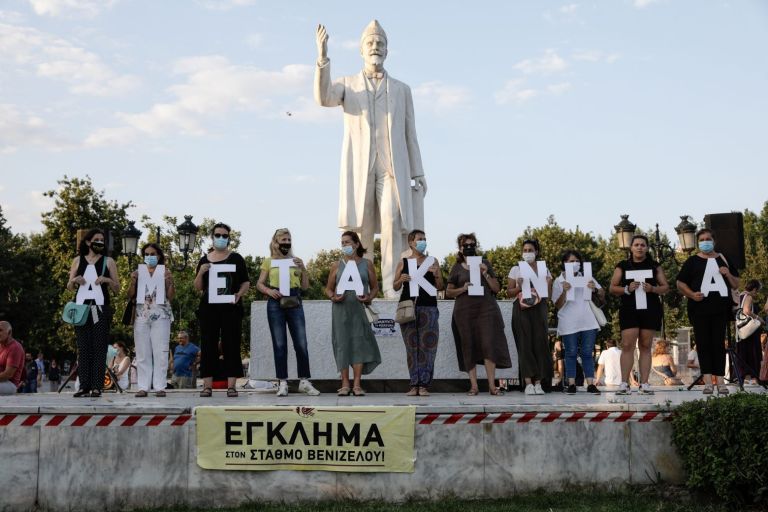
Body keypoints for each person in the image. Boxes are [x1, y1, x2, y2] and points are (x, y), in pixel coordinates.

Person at [314, 21, 427, 299]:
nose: (375, 47)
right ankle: (360, 285)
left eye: (380, 43)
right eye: (370, 43)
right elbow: (323, 97)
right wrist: (322, 57)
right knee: (361, 226)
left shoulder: (402, 89)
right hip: (359, 166)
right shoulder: (348, 84)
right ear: (361, 50)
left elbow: (410, 133)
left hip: (391, 168)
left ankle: (391, 287)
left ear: (387, 50)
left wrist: (418, 171)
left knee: (391, 219)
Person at [256, 228, 320, 397]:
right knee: (280, 344)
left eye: (288, 239)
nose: (286, 242)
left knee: (301, 343)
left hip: (294, 299)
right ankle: (282, 382)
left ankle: (304, 381)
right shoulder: (269, 261)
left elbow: (305, 286)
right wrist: (269, 291)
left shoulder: (296, 260)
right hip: (275, 302)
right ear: (276, 242)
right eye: (283, 239)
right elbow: (259, 283)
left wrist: (304, 269)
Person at [676, 228, 740, 395]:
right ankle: (707, 383)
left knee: (718, 345)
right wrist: (691, 294)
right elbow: (680, 283)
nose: (705, 242)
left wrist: (727, 275)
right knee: (703, 345)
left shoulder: (723, 259)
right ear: (698, 243)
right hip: (699, 310)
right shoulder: (692, 261)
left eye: (708, 239)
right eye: (702, 239)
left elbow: (736, 284)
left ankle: (720, 382)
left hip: (720, 310)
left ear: (714, 241)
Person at [447, 233, 511, 396]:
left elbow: (496, 288)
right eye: (465, 245)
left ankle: (492, 386)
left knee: (489, 345)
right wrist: (463, 288)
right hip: (464, 311)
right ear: (460, 248)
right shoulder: (456, 267)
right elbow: (448, 292)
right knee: (468, 346)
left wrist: (485, 274)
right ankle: (474, 386)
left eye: (472, 244)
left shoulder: (485, 263)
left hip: (486, 309)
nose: (469, 247)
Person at [195, 223, 250, 398]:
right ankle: (207, 386)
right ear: (212, 237)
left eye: (225, 235)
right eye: (218, 235)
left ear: (228, 238)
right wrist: (200, 273)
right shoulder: (204, 260)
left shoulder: (236, 258)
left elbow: (246, 282)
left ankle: (232, 386)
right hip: (208, 309)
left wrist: (239, 294)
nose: (221, 238)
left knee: (231, 344)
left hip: (230, 308)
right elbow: (198, 287)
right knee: (208, 344)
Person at [609, 234, 670, 395]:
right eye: (636, 244)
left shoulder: (654, 266)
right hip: (629, 308)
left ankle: (644, 383)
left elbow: (665, 287)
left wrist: (653, 289)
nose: (639, 247)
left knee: (645, 345)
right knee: (628, 345)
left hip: (650, 308)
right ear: (631, 247)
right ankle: (624, 383)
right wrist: (627, 289)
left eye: (643, 245)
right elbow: (612, 288)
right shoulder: (622, 265)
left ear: (647, 248)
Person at [325, 231, 382, 396]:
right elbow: (328, 288)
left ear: (356, 244)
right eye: (342, 243)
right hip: (340, 310)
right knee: (342, 344)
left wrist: (368, 297)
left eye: (347, 242)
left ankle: (357, 384)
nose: (344, 245)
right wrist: (333, 297)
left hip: (359, 310)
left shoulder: (367, 264)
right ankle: (344, 383)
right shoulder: (337, 265)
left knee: (359, 344)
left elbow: (375, 287)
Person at [66, 228, 120, 398]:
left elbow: (117, 289)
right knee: (83, 347)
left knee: (99, 347)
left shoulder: (108, 261)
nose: (99, 242)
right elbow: (69, 286)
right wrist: (74, 280)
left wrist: (108, 280)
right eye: (96, 239)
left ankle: (97, 386)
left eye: (102, 240)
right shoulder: (77, 260)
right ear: (88, 242)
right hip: (81, 309)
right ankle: (83, 386)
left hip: (99, 308)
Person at [393, 229, 443, 396]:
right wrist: (400, 279)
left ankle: (424, 385)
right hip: (408, 307)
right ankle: (414, 384)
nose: (423, 241)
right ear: (411, 242)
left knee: (428, 346)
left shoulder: (433, 261)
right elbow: (395, 286)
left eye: (424, 239)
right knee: (411, 347)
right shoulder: (403, 262)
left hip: (429, 307)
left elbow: (441, 287)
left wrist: (437, 275)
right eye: (419, 239)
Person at [551, 249, 604, 395]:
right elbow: (557, 304)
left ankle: (590, 384)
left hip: (588, 321)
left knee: (587, 353)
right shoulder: (558, 280)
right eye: (571, 261)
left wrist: (594, 289)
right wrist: (564, 291)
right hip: (568, 322)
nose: (575, 264)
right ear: (564, 264)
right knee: (571, 353)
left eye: (576, 261)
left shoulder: (586, 276)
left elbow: (602, 293)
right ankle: (572, 383)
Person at [128, 243, 175, 398]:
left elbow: (171, 296)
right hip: (141, 316)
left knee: (160, 351)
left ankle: (160, 386)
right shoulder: (138, 272)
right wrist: (133, 281)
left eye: (153, 253)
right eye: (146, 254)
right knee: (142, 352)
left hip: (161, 315)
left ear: (159, 256)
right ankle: (143, 387)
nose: (150, 256)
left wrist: (170, 281)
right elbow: (130, 295)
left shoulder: (165, 272)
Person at [507, 239, 552, 395]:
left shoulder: (544, 269)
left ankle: (538, 382)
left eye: (530, 250)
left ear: (536, 252)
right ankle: (528, 383)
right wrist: (519, 286)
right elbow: (509, 292)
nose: (527, 253)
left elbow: (549, 296)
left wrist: (548, 284)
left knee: (540, 344)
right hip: (521, 309)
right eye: (525, 250)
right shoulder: (516, 269)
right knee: (524, 344)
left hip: (539, 308)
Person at [735, 280, 764, 385]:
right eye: (757, 291)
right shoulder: (748, 296)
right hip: (750, 331)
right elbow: (746, 311)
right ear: (754, 289)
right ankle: (753, 377)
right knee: (752, 353)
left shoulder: (740, 296)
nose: (757, 293)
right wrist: (758, 318)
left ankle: (745, 378)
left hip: (741, 330)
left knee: (743, 353)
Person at [0, 321, 24, 395]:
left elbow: (8, 375)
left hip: (10, 384)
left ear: (9, 332)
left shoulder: (15, 347)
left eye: (0, 330)